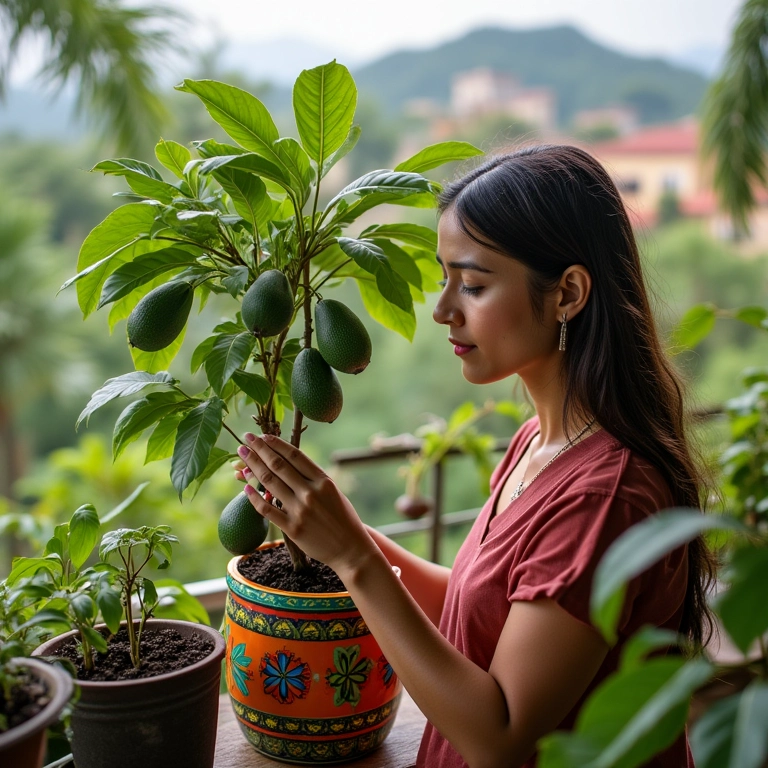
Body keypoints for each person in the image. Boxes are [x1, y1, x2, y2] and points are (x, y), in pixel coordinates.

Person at [233, 144, 715, 768]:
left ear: (567, 292)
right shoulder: (538, 445)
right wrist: (340, 532)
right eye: (445, 279)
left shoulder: (605, 499)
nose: (443, 311)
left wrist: (353, 557)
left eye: (475, 285)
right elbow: (472, 605)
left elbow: (502, 737)